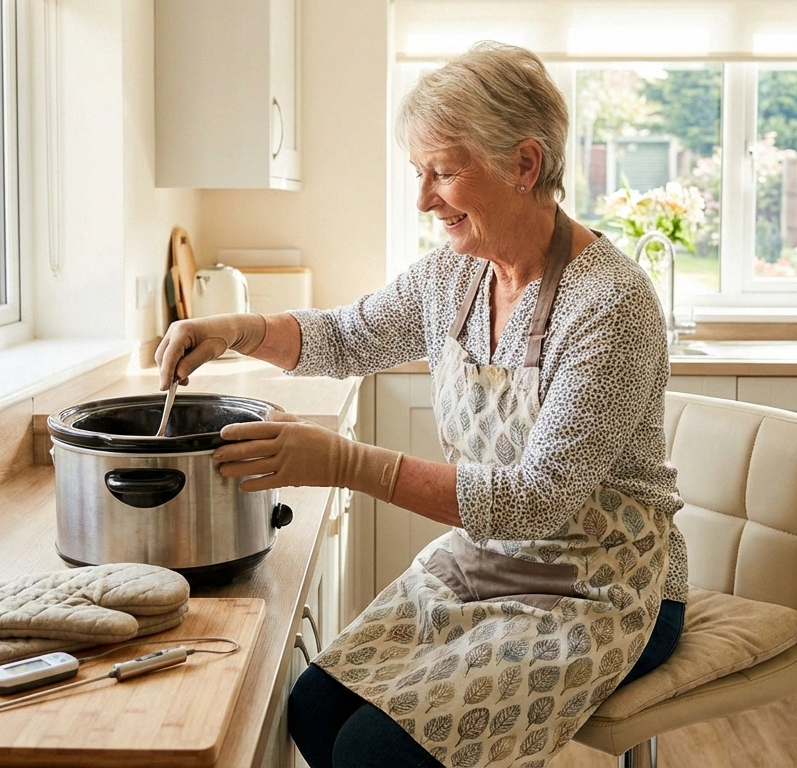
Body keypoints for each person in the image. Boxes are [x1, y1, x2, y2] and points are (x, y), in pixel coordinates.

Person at [155, 41, 687, 768]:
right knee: (314, 708)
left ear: (524, 164)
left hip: (601, 588)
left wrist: (344, 463)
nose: (424, 199)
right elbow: (345, 336)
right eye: (419, 173)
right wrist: (238, 330)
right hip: (485, 564)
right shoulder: (451, 278)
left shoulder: (609, 304)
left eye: (443, 172)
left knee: (375, 754)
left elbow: (538, 501)